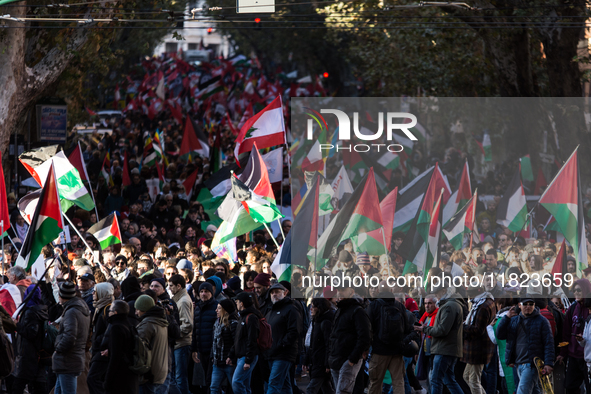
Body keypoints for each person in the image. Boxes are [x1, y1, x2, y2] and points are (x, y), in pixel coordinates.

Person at [497, 296, 555, 394]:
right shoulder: (513, 320)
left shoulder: (542, 321)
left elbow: (548, 343)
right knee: (534, 391)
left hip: (532, 365)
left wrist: (548, 363)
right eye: (525, 304)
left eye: (531, 304)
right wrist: (506, 318)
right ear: (519, 305)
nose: (528, 306)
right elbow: (500, 335)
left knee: (522, 391)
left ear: (534, 305)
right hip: (518, 364)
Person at [414, 286, 465, 394]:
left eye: (437, 294)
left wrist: (425, 328)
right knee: (449, 380)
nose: (436, 297)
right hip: (446, 349)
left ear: (444, 291)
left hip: (444, 349)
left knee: (436, 380)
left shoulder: (449, 306)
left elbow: (442, 330)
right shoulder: (450, 305)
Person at [366, 287, 409, 394]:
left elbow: (368, 328)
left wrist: (366, 348)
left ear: (378, 291)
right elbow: (407, 328)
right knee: (398, 382)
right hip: (397, 351)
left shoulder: (374, 305)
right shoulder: (399, 305)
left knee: (375, 383)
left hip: (379, 351)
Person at [328, 287, 371, 394]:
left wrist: (352, 359)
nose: (339, 293)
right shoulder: (339, 310)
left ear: (351, 292)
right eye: (338, 291)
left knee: (343, 391)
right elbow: (334, 335)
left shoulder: (358, 311)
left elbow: (365, 337)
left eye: (343, 290)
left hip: (348, 360)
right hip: (336, 359)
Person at [53, 281, 92, 394]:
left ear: (62, 296)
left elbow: (70, 337)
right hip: (71, 359)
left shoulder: (72, 312)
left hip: (68, 360)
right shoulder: (79, 308)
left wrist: (58, 348)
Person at [265, 282, 302, 394]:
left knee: (273, 384)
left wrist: (281, 345)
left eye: (277, 292)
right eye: (272, 292)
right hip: (272, 353)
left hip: (284, 353)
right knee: (285, 386)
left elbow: (294, 331)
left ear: (285, 293)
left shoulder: (291, 309)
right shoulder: (270, 311)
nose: (274, 294)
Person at [12, 285, 49, 394]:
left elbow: (31, 333)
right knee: (37, 385)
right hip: (36, 354)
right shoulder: (40, 309)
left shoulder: (31, 312)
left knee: (18, 386)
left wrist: (17, 325)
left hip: (28, 354)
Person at [558, 278, 591, 394]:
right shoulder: (572, 308)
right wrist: (563, 353)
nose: (576, 293)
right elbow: (566, 333)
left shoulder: (590, 309)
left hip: (588, 357)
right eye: (574, 290)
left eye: (579, 290)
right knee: (570, 387)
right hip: (573, 355)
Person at [462, 288, 496, 394]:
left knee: (473, 380)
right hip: (479, 348)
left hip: (478, 349)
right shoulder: (486, 302)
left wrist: (463, 326)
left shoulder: (482, 306)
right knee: (467, 376)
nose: (469, 299)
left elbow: (479, 330)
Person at [104, 300, 139, 394]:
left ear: (115, 312)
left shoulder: (116, 328)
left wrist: (108, 379)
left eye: (109, 311)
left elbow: (115, 357)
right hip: (130, 375)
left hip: (119, 377)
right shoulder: (129, 325)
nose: (108, 313)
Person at [136, 294, 169, 393]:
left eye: (138, 309)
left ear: (144, 310)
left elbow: (139, 349)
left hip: (149, 373)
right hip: (160, 371)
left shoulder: (147, 324)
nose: (136, 312)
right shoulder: (160, 321)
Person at [87, 282, 115, 394]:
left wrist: (99, 341)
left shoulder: (107, 310)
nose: (93, 293)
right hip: (99, 349)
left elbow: (111, 331)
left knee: (93, 379)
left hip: (103, 351)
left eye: (96, 291)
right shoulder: (100, 308)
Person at [231, 292, 261, 394]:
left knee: (236, 382)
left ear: (242, 303)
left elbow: (252, 339)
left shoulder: (251, 317)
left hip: (246, 357)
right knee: (245, 384)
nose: (236, 303)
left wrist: (248, 360)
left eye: (237, 301)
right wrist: (231, 354)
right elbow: (239, 338)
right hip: (242, 356)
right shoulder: (243, 316)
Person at [192, 282, 219, 392]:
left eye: (206, 291)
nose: (203, 294)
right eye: (201, 291)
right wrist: (194, 349)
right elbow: (195, 330)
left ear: (211, 293)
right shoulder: (198, 308)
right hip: (202, 350)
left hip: (213, 351)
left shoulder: (217, 307)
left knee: (210, 380)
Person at [169, 274, 193, 394]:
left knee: (180, 377)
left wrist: (175, 334)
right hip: (180, 344)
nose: (169, 289)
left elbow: (187, 324)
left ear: (179, 286)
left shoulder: (182, 301)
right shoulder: (179, 299)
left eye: (171, 286)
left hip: (182, 343)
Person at [305, 298, 335, 394]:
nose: (311, 309)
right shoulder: (316, 321)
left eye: (313, 306)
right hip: (317, 360)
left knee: (311, 389)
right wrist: (307, 359)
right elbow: (312, 343)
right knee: (326, 387)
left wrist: (327, 363)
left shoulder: (325, 322)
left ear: (320, 308)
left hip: (321, 362)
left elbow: (328, 344)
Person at [210, 299, 239, 394]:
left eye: (219, 308)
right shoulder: (217, 323)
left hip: (229, 362)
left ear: (225, 310)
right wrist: (212, 356)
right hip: (217, 362)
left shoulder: (233, 324)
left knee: (236, 387)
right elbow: (214, 342)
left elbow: (236, 343)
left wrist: (231, 356)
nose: (216, 310)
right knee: (214, 387)